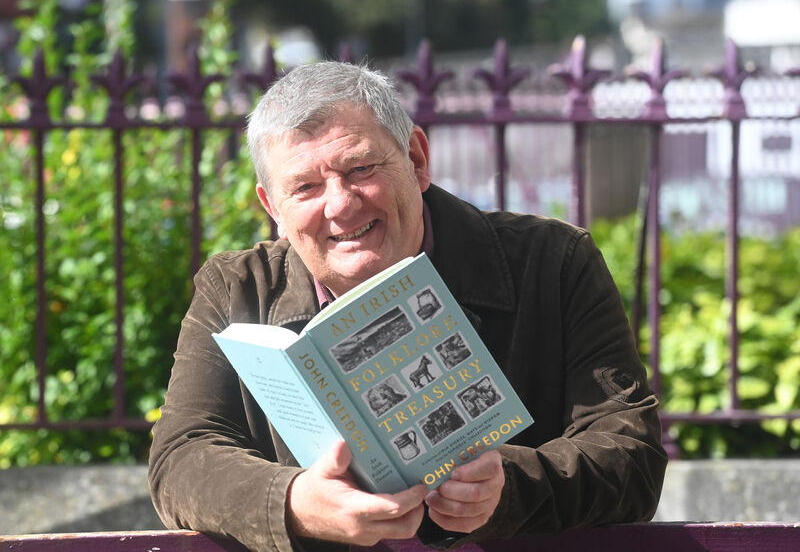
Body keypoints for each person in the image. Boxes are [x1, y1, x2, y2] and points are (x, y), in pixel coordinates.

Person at [148, 61, 667, 552]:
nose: (340, 204)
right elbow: (179, 459)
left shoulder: (553, 263)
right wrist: (293, 502)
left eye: (360, 167)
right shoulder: (235, 288)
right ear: (272, 208)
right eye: (304, 187)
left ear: (417, 159)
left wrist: (507, 487)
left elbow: (631, 456)